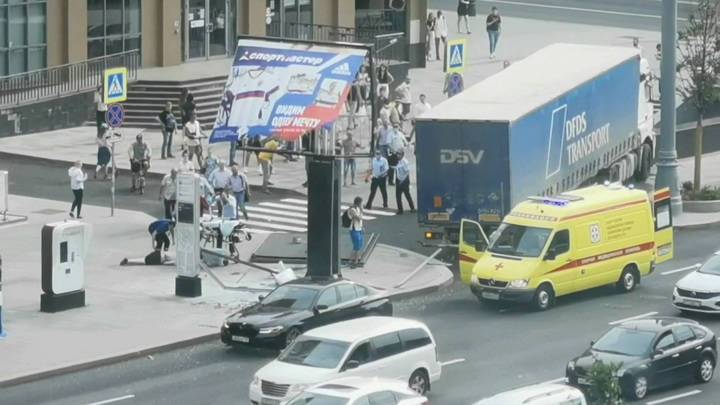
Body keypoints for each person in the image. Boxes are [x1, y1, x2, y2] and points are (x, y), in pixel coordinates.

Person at [347, 196, 364, 268]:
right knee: (356, 245)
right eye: (361, 203)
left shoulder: (358, 209)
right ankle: (355, 261)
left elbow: (361, 220)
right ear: (359, 202)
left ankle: (352, 259)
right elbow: (358, 218)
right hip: (354, 229)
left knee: (359, 245)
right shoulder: (352, 209)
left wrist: (362, 227)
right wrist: (361, 210)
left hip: (359, 229)